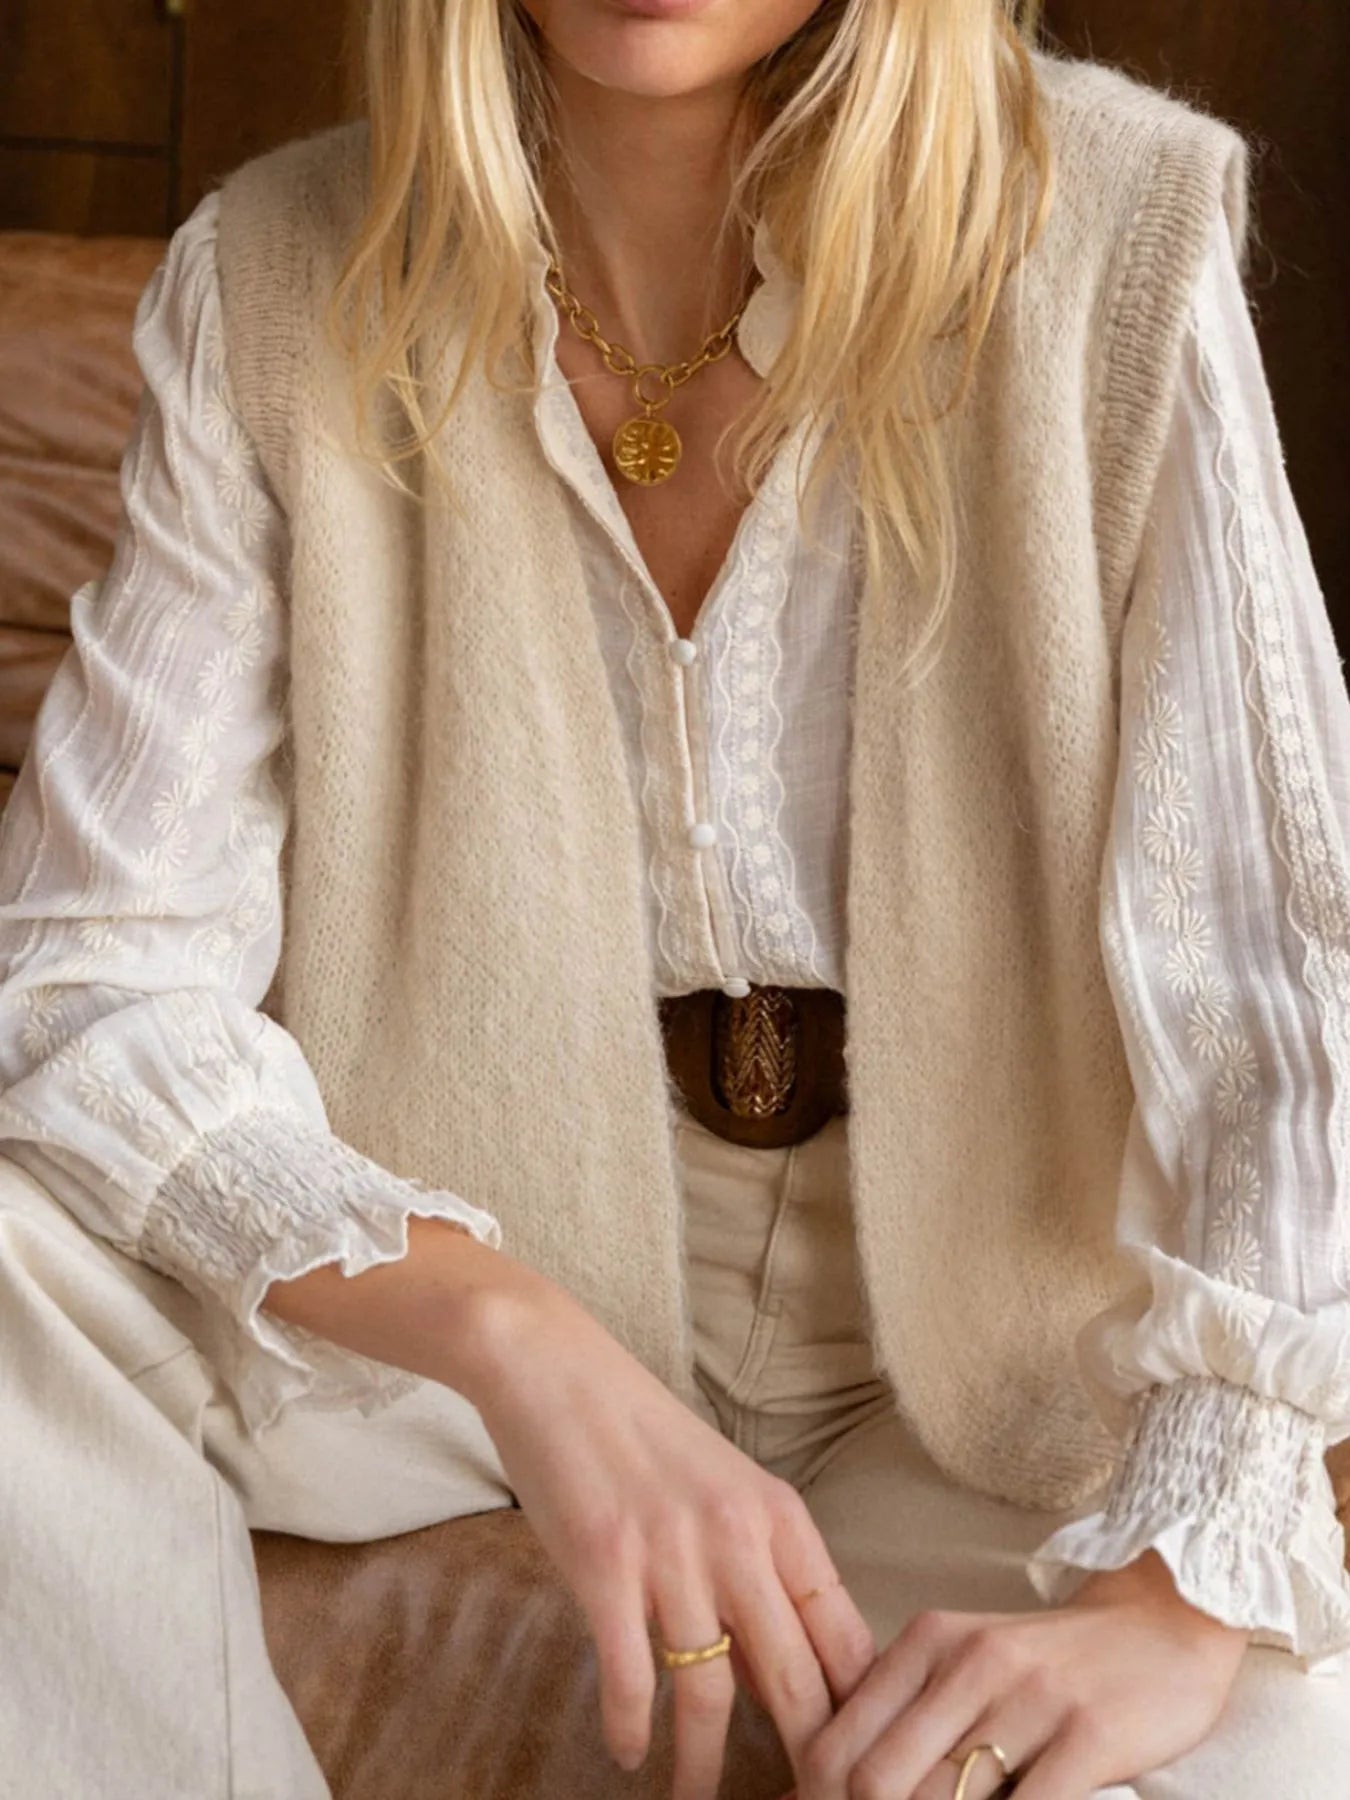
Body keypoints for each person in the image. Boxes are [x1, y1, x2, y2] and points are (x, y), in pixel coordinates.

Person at [2, 1, 1349, 1795]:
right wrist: (510, 1334)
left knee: (1268, 1764)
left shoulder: (1113, 225)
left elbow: (1280, 981)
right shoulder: (269, 272)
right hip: (457, 1230)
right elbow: (90, 975)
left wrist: (1179, 1593)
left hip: (995, 1336)